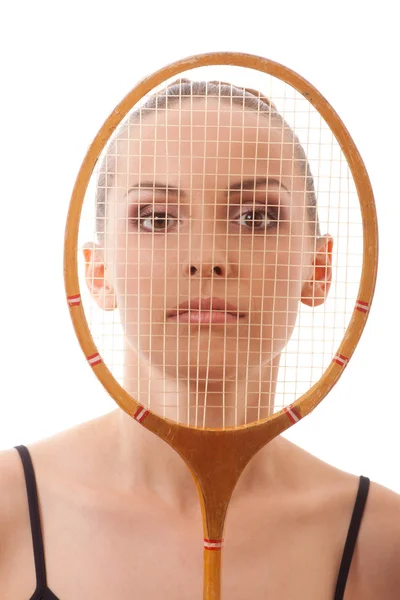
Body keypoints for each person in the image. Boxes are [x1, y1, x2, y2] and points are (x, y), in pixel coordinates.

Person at [1, 79, 399, 599]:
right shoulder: (7, 508)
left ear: (318, 267)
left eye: (256, 217)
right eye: (157, 217)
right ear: (98, 272)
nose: (206, 256)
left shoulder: (384, 544)